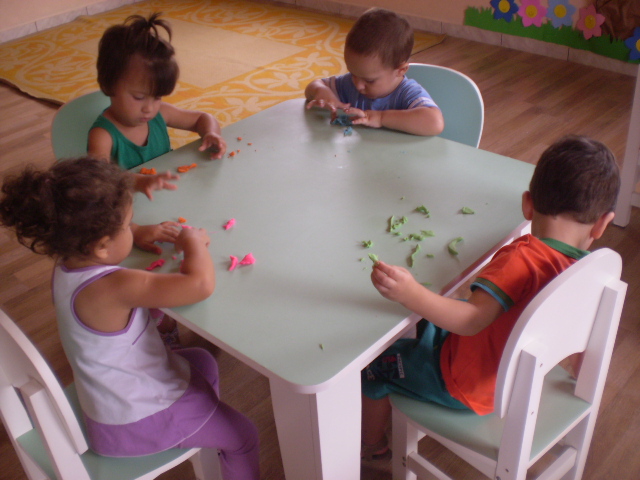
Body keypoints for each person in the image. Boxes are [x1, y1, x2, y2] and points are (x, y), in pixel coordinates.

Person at [361, 135, 620, 459]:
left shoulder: (522, 259)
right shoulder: (589, 273)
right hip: (516, 381)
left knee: (374, 366)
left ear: (527, 204)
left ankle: (372, 445)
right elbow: (585, 351)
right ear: (602, 224)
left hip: (465, 386)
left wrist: (410, 293)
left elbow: (471, 321)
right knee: (435, 314)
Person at [0, 158, 260, 480]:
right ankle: (195, 425)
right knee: (245, 437)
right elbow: (200, 285)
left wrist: (134, 233)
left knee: (202, 359)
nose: (132, 228)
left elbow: (111, 251)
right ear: (101, 245)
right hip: (139, 423)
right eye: (128, 225)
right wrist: (194, 244)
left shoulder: (67, 264)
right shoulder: (115, 286)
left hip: (109, 405)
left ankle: (202, 423)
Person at [304, 7, 444, 136]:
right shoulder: (350, 84)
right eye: (353, 74)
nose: (358, 85)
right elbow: (314, 86)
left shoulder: (407, 93)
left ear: (400, 70)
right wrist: (323, 93)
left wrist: (381, 118)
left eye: (369, 80)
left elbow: (434, 123)